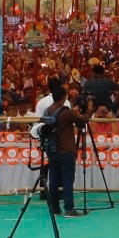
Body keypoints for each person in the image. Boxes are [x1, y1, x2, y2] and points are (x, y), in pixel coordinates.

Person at [43, 79, 85, 216]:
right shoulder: (65, 112)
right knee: (67, 180)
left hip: (52, 150)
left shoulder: (47, 111)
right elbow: (81, 121)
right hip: (66, 149)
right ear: (64, 97)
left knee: (53, 180)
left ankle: (55, 208)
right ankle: (69, 208)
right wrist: (89, 110)